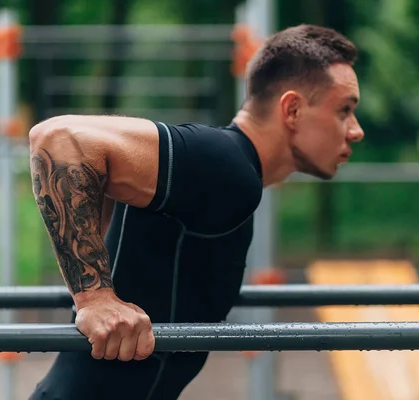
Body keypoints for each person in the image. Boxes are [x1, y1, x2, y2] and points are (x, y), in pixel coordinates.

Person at [28, 23, 364, 400]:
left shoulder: (234, 177)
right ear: (293, 109)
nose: (356, 131)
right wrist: (95, 298)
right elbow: (58, 139)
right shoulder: (226, 166)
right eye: (345, 110)